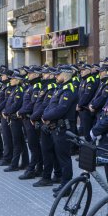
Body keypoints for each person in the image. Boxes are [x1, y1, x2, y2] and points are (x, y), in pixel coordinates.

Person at [42, 65, 78, 198]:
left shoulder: (69, 89)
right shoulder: (60, 88)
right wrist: (45, 115)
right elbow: (51, 105)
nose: (55, 76)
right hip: (56, 127)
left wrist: (46, 116)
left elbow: (61, 109)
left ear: (66, 74)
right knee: (60, 157)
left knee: (64, 159)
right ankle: (64, 183)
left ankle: (67, 186)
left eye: (58, 74)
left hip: (64, 129)